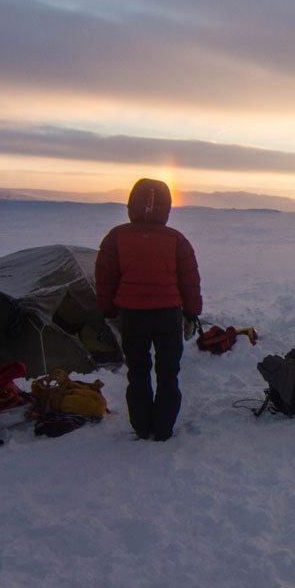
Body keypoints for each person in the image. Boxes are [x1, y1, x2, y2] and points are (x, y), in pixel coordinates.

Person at [95, 178, 202, 441]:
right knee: (168, 373)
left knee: (138, 371)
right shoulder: (176, 240)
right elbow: (189, 280)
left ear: (131, 205)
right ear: (167, 208)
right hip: (168, 315)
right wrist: (192, 312)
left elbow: (105, 278)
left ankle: (142, 427)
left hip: (132, 316)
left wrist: (108, 310)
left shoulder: (116, 237)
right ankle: (163, 428)